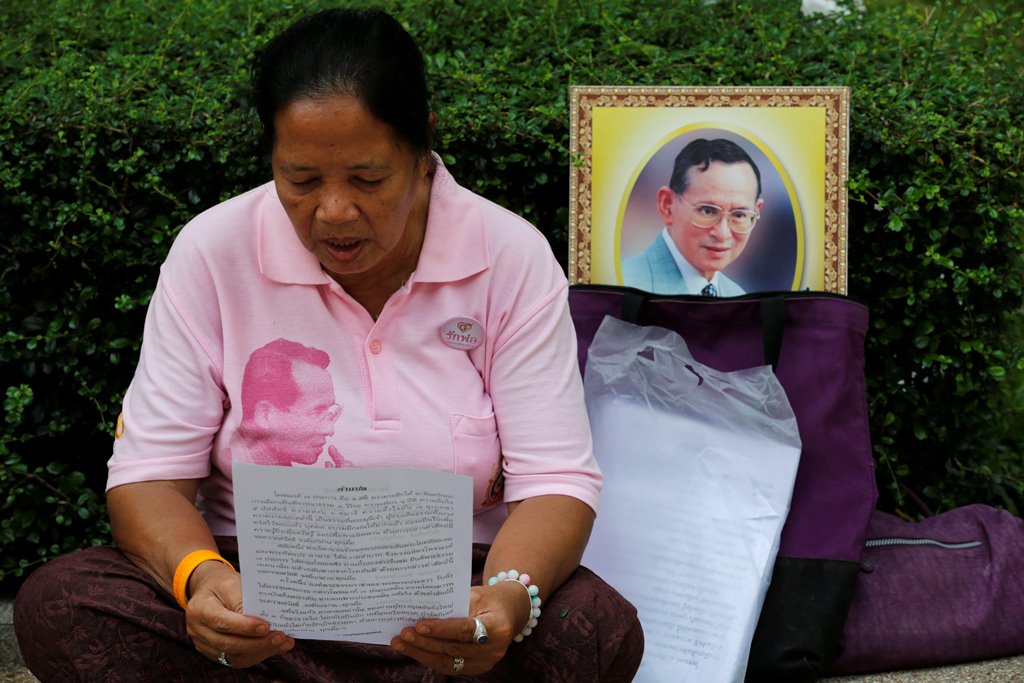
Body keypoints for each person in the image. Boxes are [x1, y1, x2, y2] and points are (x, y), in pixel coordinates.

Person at [14, 8, 643, 682]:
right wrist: (200, 580)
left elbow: (555, 479)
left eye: (368, 180)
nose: (334, 211)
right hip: (259, 602)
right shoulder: (213, 251)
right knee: (60, 601)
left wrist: (507, 599)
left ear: (423, 152)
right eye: (302, 180)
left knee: (596, 627)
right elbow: (148, 474)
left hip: (443, 610)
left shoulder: (508, 255)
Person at [621, 138, 764, 296]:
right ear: (667, 205)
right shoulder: (624, 287)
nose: (723, 234)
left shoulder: (738, 297)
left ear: (756, 212)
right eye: (707, 211)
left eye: (739, 215)